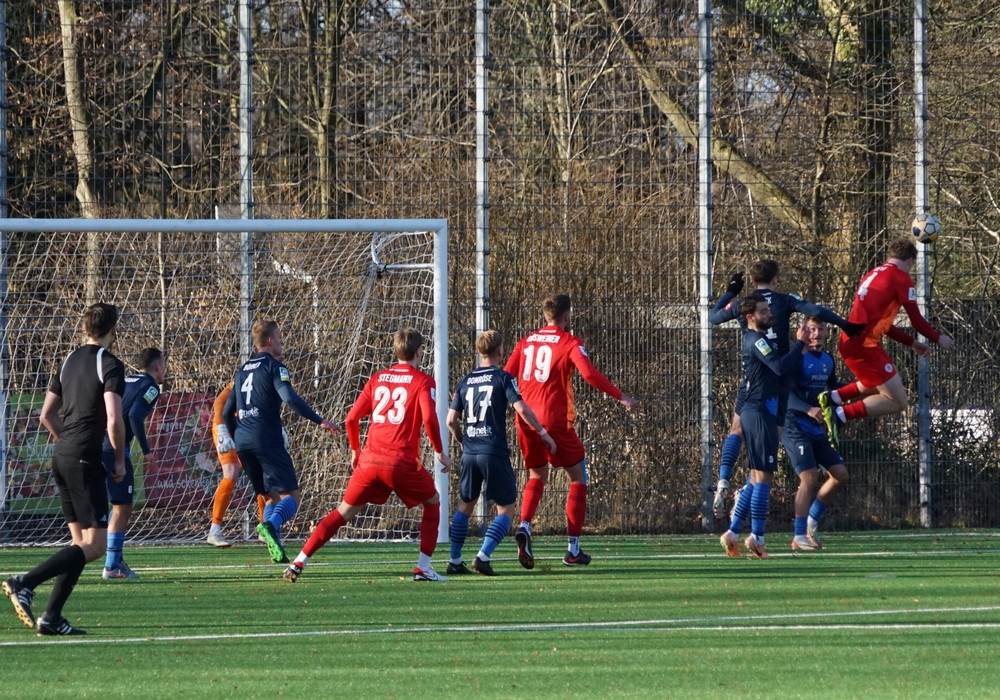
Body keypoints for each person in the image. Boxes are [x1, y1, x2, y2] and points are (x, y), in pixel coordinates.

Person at [283, 328, 453, 583]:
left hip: (370, 461)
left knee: (342, 513)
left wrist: (355, 451)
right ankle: (423, 568)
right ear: (419, 352)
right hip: (400, 462)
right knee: (432, 502)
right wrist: (440, 451)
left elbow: (351, 419)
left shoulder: (377, 378)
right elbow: (429, 418)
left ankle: (299, 561)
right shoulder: (423, 381)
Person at [3, 303, 125, 635]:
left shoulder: (69, 360)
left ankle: (52, 618)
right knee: (96, 546)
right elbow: (114, 418)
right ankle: (24, 582)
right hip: (84, 457)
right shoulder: (110, 363)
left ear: (85, 328)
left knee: (79, 544)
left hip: (62, 455)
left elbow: (46, 415)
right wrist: (117, 459)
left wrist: (68, 442)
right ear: (113, 329)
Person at [709, 260, 863, 519]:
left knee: (736, 430)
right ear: (776, 279)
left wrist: (730, 292)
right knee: (765, 461)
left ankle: (724, 480)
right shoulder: (783, 300)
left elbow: (713, 317)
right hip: (779, 379)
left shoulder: (745, 304)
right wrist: (844, 324)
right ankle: (750, 510)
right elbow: (815, 310)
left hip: (752, 378)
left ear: (753, 281)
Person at [503, 294, 636, 568]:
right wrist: (621, 396)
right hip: (554, 422)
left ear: (545, 316)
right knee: (577, 478)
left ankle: (525, 525)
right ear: (566, 316)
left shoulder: (525, 342)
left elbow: (505, 376)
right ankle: (573, 549)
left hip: (525, 420)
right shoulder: (569, 342)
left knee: (537, 475)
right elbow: (589, 374)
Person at [222, 320, 341, 563]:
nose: (281, 341)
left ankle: (274, 542)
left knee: (270, 497)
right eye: (279, 337)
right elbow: (289, 398)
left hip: (243, 442)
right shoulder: (275, 367)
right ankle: (271, 525)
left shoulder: (242, 371)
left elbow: (226, 413)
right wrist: (319, 420)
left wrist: (239, 436)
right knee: (292, 497)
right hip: (266, 438)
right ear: (269, 341)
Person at [820, 237, 955, 447]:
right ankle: (839, 415)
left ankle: (833, 398)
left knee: (886, 384)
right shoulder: (901, 278)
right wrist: (939, 338)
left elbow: (884, 324)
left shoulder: (874, 273)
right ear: (910, 260)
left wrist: (911, 342)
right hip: (862, 346)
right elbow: (917, 320)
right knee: (898, 401)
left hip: (858, 342)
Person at [444, 330, 556, 576]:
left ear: (478, 351)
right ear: (500, 351)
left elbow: (450, 420)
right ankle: (482, 557)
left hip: (470, 452)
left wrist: (462, 440)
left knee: (465, 505)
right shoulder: (503, 378)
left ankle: (454, 560)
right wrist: (542, 432)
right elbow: (522, 409)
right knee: (506, 508)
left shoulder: (465, 381)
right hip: (493, 449)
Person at [720, 295, 807, 559]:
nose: (770, 314)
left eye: (769, 310)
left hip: (758, 411)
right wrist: (800, 344)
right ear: (751, 317)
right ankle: (757, 537)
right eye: (764, 311)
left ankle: (733, 532)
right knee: (764, 477)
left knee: (756, 477)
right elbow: (778, 367)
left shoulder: (756, 338)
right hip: (759, 413)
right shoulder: (756, 340)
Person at [781, 318, 850, 551]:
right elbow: (784, 394)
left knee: (840, 475)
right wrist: (807, 408)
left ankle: (811, 521)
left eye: (821, 328)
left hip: (817, 427)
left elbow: (832, 389)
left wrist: (860, 388)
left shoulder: (828, 360)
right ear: (802, 331)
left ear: (827, 332)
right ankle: (798, 535)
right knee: (809, 478)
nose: (816, 333)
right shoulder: (796, 358)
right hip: (795, 425)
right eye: (812, 329)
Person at [101, 347, 167, 579]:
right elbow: (134, 415)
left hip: (96, 444)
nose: (165, 370)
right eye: (164, 365)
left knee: (114, 506)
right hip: (115, 447)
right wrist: (147, 451)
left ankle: (116, 559)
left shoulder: (124, 381)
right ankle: (111, 565)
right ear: (157, 366)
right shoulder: (150, 386)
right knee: (122, 507)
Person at [206, 377, 266, 548]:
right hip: (227, 425)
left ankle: (265, 529)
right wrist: (221, 428)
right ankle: (214, 530)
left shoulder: (272, 376)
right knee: (231, 472)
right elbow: (220, 402)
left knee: (262, 473)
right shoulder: (246, 376)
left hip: (248, 427)